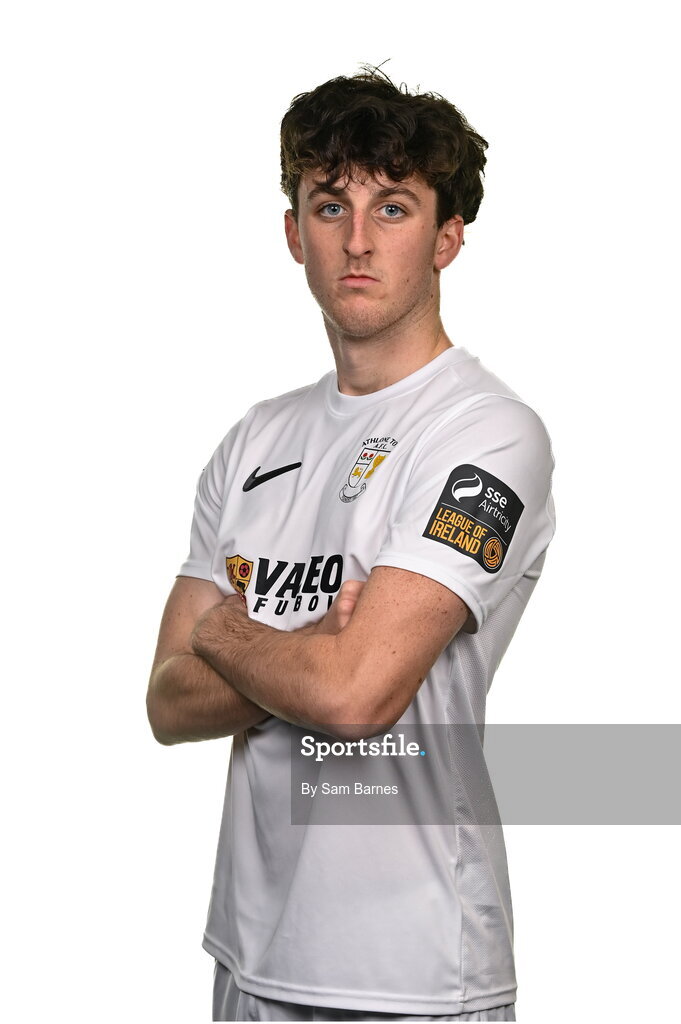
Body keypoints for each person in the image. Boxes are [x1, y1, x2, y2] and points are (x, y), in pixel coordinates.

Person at [147, 67, 556, 1022]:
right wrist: (310, 648)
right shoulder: (253, 440)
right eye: (330, 206)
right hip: (248, 958)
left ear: (448, 236)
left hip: (409, 970)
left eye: (395, 206)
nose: (358, 239)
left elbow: (354, 695)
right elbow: (165, 704)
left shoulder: (488, 433)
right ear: (294, 232)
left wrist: (226, 634)